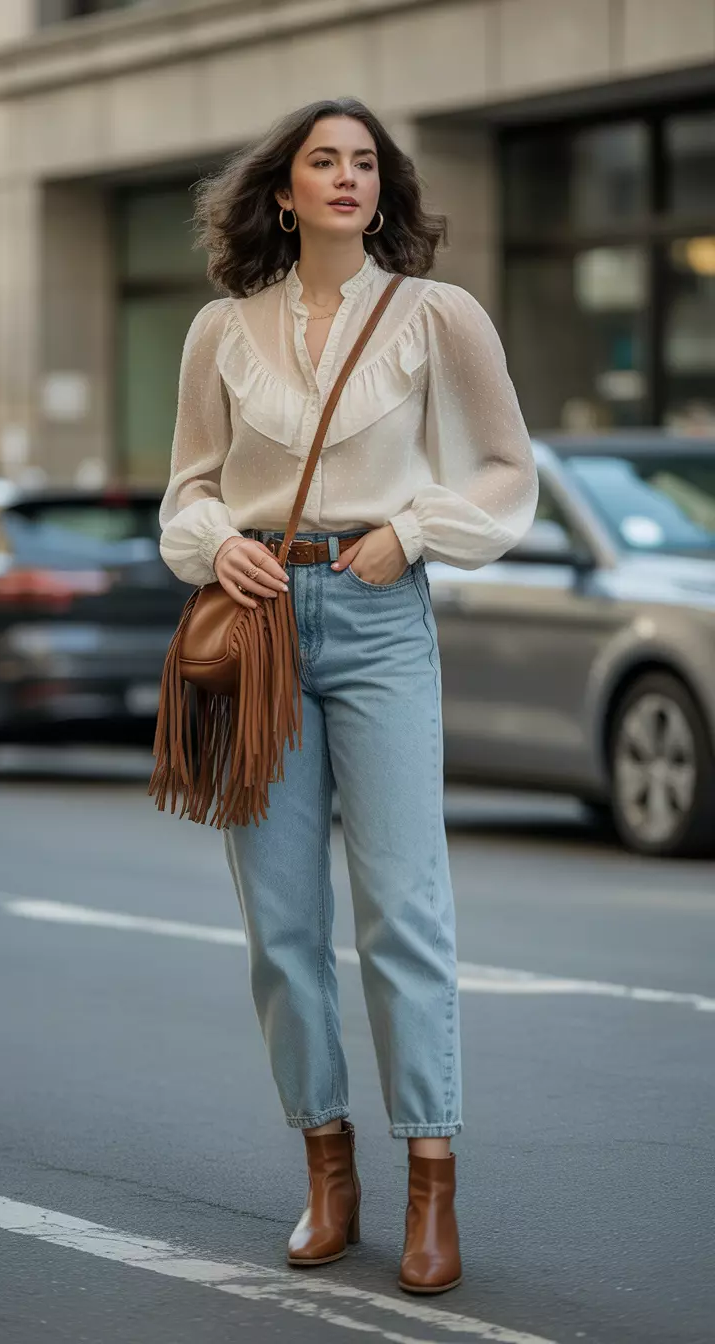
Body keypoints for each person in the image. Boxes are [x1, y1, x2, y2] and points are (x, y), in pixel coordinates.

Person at [158, 96, 537, 1294]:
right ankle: (328, 1172)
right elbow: (186, 491)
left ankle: (432, 1180)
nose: (346, 177)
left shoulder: (438, 316)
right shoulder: (221, 331)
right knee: (279, 925)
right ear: (283, 189)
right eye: (323, 160)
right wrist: (220, 541)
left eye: (365, 162)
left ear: (383, 189)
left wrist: (413, 531)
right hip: (260, 626)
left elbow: (505, 468)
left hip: (378, 621)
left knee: (402, 907)